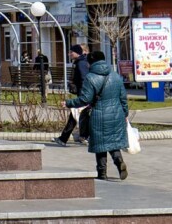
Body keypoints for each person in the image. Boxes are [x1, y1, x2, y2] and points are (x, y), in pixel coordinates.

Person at [66, 50, 130, 179]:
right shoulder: (115, 75)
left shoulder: (90, 77)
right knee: (113, 142)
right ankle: (119, 162)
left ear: (91, 62)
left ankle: (102, 173)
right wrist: (125, 113)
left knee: (100, 144)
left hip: (98, 114)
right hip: (116, 114)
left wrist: (69, 103)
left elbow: (85, 99)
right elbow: (123, 97)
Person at [54, 45, 92, 146]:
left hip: (84, 95)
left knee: (75, 114)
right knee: (77, 115)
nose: (69, 54)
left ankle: (65, 138)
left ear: (77, 53)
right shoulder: (79, 62)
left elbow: (84, 79)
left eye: (71, 52)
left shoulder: (81, 63)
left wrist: (84, 94)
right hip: (83, 94)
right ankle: (80, 137)